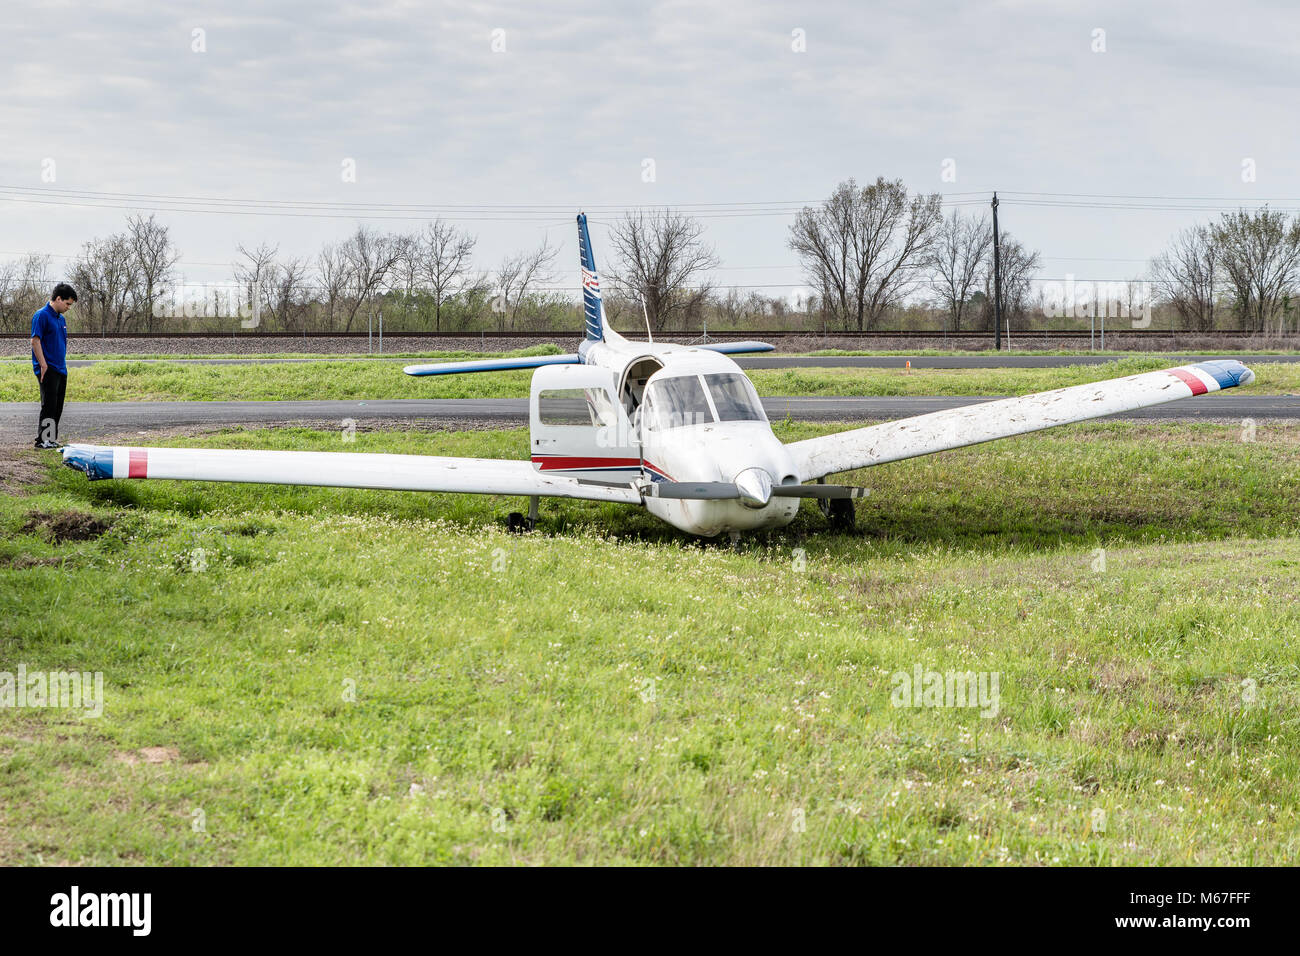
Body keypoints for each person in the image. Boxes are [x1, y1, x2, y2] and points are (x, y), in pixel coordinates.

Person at [31, 283, 77, 449]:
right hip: (48, 368)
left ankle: (50, 438)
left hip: (60, 368)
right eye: (67, 304)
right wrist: (43, 365)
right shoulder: (41, 315)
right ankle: (42, 440)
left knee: (57, 406)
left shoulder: (61, 318)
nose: (68, 308)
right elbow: (35, 340)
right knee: (49, 405)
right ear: (58, 298)